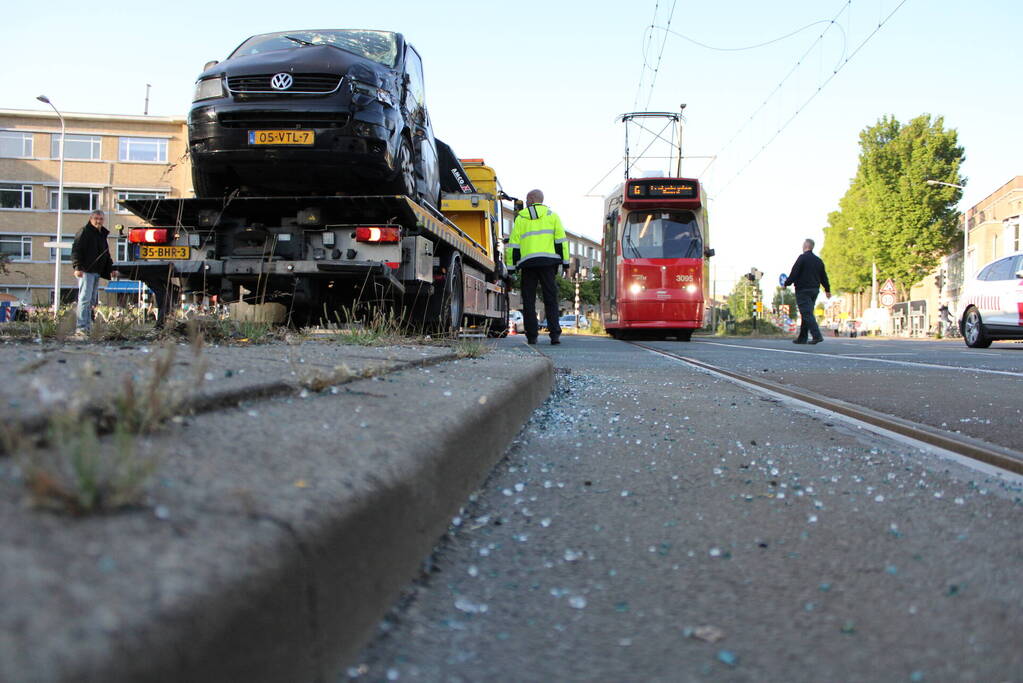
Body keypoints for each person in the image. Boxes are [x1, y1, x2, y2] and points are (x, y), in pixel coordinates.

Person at [505, 189, 570, 345]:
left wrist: (511, 268)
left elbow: (514, 245)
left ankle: (532, 336)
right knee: (551, 299)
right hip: (548, 264)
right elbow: (562, 241)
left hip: (528, 264)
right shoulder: (552, 216)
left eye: (527, 199)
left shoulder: (521, 218)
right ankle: (554, 335)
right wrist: (566, 264)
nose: (526, 202)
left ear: (532, 199)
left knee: (528, 301)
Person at [70, 210, 120, 339]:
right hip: (86, 270)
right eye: (96, 218)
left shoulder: (102, 234)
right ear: (91, 218)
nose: (98, 221)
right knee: (84, 300)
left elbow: (105, 253)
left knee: (91, 301)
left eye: (101, 219)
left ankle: (87, 328)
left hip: (96, 271)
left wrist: (111, 268)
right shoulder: (84, 232)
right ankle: (81, 329)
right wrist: (77, 267)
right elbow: (76, 250)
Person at [783, 238, 830, 345]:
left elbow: (794, 272)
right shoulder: (818, 261)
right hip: (814, 290)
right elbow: (824, 277)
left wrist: (786, 283)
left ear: (806, 246)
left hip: (803, 290)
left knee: (807, 313)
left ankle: (817, 335)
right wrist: (827, 290)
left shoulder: (802, 258)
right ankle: (802, 338)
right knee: (807, 313)